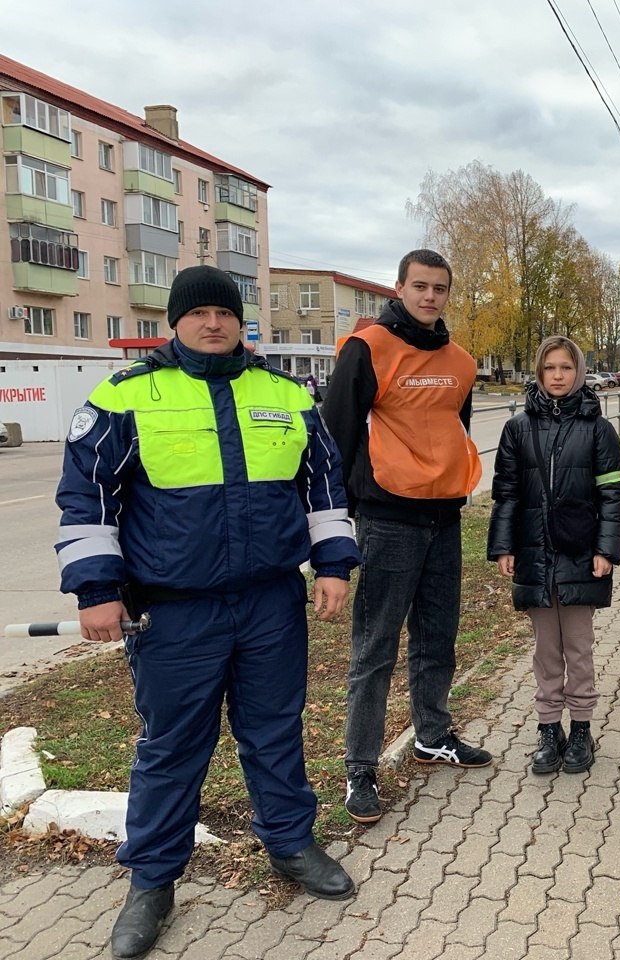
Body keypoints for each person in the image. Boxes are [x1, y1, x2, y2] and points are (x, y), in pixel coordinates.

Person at [54, 265, 362, 959]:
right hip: (175, 611)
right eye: (200, 313)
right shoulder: (127, 395)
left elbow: (322, 484)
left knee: (275, 732)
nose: (214, 323)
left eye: (225, 312)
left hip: (270, 603)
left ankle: (288, 844)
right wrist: (96, 589)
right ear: (177, 319)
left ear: (240, 321)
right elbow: (87, 496)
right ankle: (153, 883)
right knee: (171, 750)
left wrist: (336, 566)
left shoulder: (285, 394)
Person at [323, 248, 488, 826]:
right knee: (375, 648)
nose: (429, 297)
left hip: (443, 518)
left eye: (440, 288)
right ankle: (360, 768)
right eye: (419, 286)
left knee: (437, 638)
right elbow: (335, 438)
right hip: (386, 519)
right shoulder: (368, 349)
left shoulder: (461, 362)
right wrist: (330, 525)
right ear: (399, 288)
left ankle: (433, 735)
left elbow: (456, 432)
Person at [487, 335, 620, 775]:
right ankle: (549, 729)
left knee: (578, 649)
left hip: (580, 555)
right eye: (550, 368)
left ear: (579, 371)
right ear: (540, 373)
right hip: (534, 555)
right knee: (546, 651)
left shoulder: (598, 429)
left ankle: (582, 728)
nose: (559, 376)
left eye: (566, 368)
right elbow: (506, 493)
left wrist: (606, 550)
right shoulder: (517, 428)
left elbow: (612, 496)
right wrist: (504, 544)